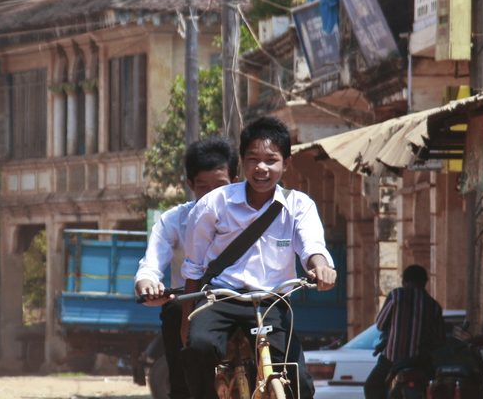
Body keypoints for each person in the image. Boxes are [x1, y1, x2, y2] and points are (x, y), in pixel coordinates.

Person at [181, 117, 338, 399]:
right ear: (241, 161)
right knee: (199, 347)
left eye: (271, 160)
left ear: (286, 163)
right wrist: (186, 321)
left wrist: (322, 267)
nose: (261, 168)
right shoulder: (214, 204)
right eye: (253, 159)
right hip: (221, 298)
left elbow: (312, 246)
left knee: (300, 381)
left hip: (272, 303)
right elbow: (193, 267)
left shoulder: (298, 205)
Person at [135, 137, 238, 399]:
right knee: (174, 310)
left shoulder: (252, 216)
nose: (213, 196)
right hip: (193, 305)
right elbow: (152, 262)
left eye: (221, 186)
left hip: (243, 301)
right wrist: (148, 282)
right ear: (190, 185)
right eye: (204, 187)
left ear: (236, 181)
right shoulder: (173, 220)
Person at [364, 265, 444, 399]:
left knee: (372, 386)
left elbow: (380, 324)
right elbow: (440, 339)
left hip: (392, 359)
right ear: (425, 282)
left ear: (404, 281)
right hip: (420, 362)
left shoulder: (396, 295)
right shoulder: (433, 305)